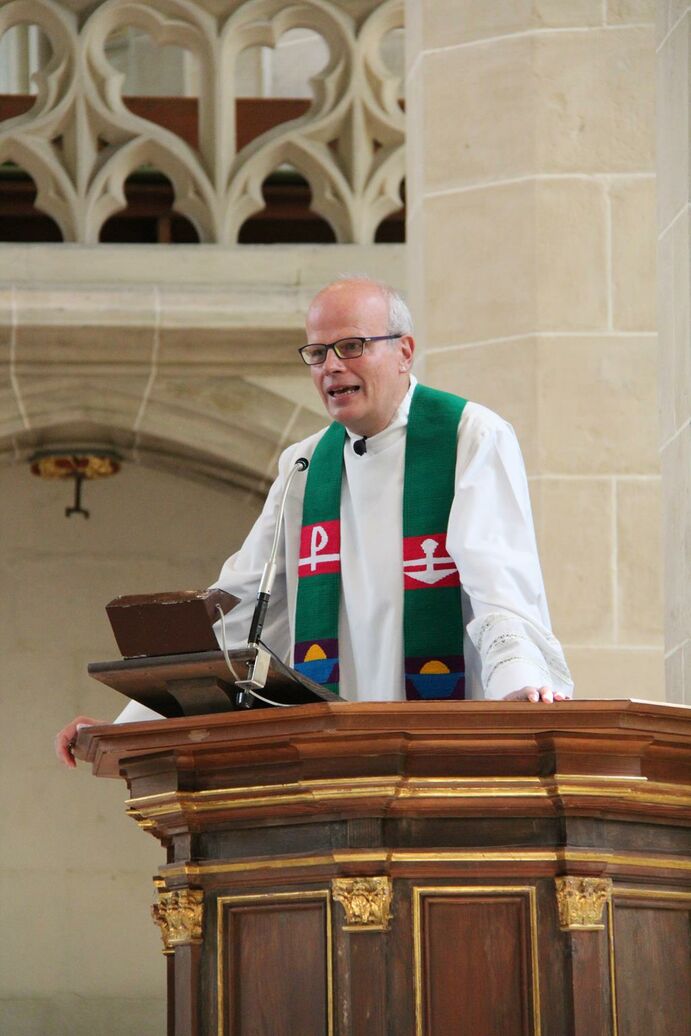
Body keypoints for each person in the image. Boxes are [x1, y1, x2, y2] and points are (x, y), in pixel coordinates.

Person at [56, 276, 572, 767]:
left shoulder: (467, 435)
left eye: (351, 346)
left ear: (404, 351)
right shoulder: (305, 466)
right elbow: (242, 603)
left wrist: (520, 682)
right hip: (337, 751)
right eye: (318, 353)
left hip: (447, 732)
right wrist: (130, 725)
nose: (331, 366)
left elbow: (497, 573)